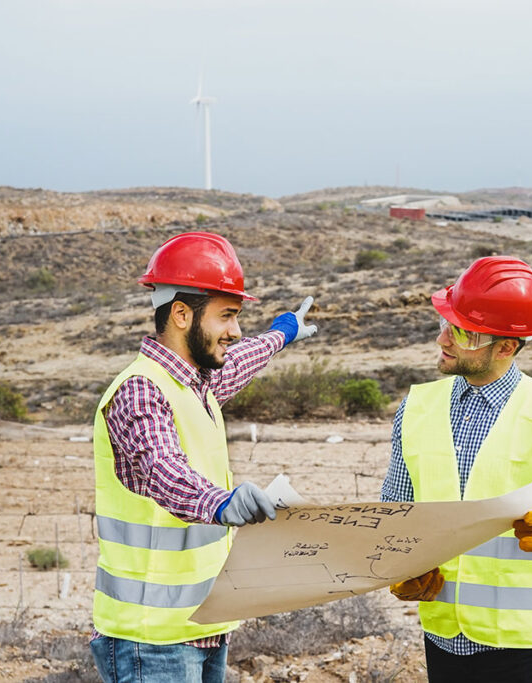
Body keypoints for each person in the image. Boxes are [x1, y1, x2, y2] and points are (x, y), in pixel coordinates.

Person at [89, 231, 317, 682]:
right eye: (227, 316)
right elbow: (162, 468)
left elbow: (239, 360)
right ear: (180, 313)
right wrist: (220, 502)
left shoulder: (196, 383)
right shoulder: (141, 390)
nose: (235, 331)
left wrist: (282, 333)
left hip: (201, 625)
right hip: (151, 640)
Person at [381, 255, 532, 683]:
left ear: (505, 347)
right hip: (444, 637)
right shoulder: (416, 408)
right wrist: (400, 562)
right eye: (445, 322)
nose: (443, 338)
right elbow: (395, 511)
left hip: (526, 649)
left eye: (461, 331)